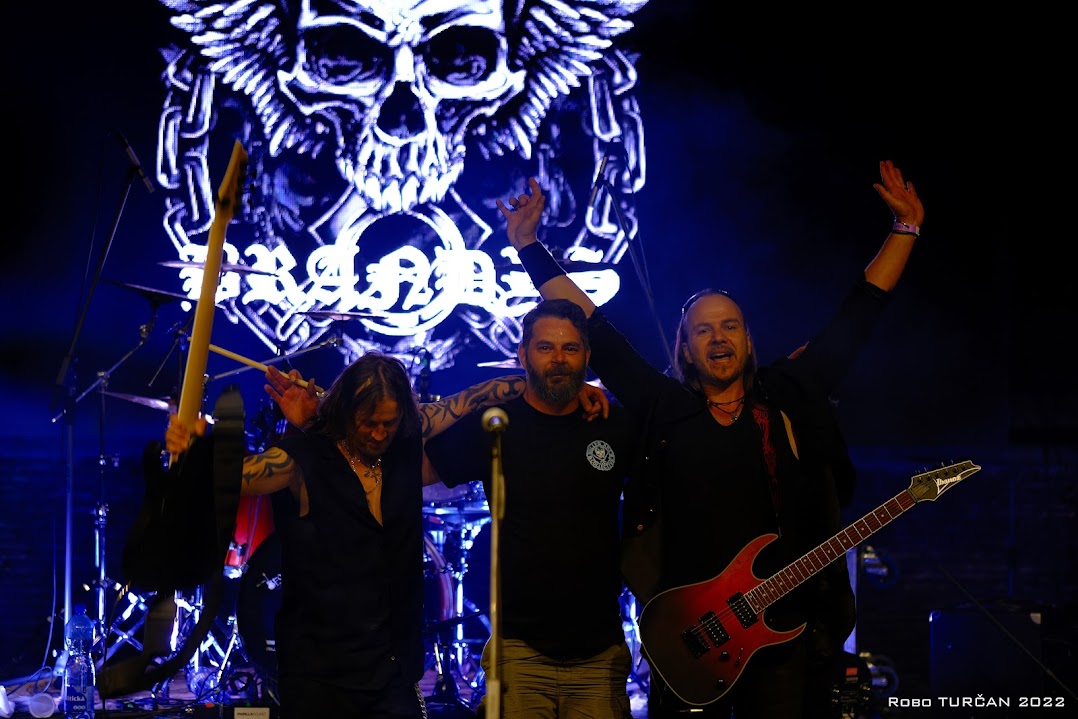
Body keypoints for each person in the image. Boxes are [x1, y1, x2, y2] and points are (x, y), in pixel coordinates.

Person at [496, 160, 924, 718]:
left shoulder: (786, 396)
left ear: (747, 340)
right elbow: (596, 328)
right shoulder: (666, 407)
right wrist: (528, 246)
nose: (718, 337)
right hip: (689, 637)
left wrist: (905, 229)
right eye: (703, 330)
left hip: (782, 634)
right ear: (686, 348)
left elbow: (857, 316)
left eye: (729, 326)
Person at [165, 354, 608, 719]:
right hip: (320, 674)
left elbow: (482, 394)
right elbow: (233, 477)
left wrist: (572, 391)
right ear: (344, 413)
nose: (379, 434)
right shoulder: (302, 458)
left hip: (392, 667)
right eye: (368, 424)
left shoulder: (404, 441)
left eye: (389, 424)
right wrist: (191, 454)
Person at [424, 298, 640, 718]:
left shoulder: (615, 425)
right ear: (522, 355)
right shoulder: (494, 424)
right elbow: (413, 469)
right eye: (545, 348)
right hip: (518, 652)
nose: (558, 359)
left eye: (570, 348)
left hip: (600, 654)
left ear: (587, 356)